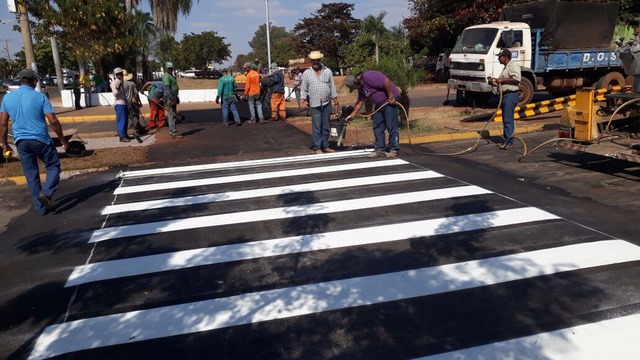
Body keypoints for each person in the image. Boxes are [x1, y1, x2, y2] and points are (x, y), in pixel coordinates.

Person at [0, 69, 70, 215]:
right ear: (34, 81)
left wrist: (4, 144)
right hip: (41, 140)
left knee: (31, 174)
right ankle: (46, 192)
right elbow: (53, 121)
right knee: (53, 165)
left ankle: (41, 208)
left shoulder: (7, 99)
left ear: (20, 81)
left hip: (21, 142)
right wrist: (62, 139)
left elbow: (3, 124)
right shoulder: (40, 97)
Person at [345, 70, 401, 158]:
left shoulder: (369, 76)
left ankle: (394, 149)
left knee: (391, 125)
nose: (356, 89)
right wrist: (352, 114)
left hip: (390, 101)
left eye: (355, 87)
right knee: (377, 125)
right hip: (380, 104)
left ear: (357, 82)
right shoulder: (361, 89)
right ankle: (380, 150)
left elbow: (386, 81)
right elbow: (360, 102)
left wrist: (391, 96)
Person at [300, 50, 339, 154]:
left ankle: (325, 146)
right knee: (317, 126)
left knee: (326, 126)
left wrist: (336, 102)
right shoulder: (307, 73)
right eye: (313, 61)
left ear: (320, 60)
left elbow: (332, 88)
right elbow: (303, 89)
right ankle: (317, 147)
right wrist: (302, 101)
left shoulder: (328, 71)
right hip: (314, 104)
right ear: (310, 61)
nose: (315, 62)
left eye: (317, 60)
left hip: (326, 103)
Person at [489, 48, 521, 149]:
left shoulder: (513, 65)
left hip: (511, 95)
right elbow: (503, 84)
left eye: (500, 57)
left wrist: (501, 79)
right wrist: (493, 83)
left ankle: (509, 142)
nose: (498, 58)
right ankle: (506, 139)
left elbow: (516, 79)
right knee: (506, 119)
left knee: (508, 119)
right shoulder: (506, 67)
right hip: (506, 95)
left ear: (505, 57)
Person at [163, 61, 182, 138]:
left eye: (171, 68)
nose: (170, 69)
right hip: (170, 98)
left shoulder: (170, 76)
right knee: (171, 115)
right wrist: (172, 98)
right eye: (169, 68)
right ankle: (173, 132)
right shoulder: (167, 76)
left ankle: (173, 131)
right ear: (166, 68)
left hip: (173, 97)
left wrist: (176, 97)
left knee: (173, 115)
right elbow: (167, 89)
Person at [122, 70, 144, 136]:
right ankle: (138, 128)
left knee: (131, 116)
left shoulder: (121, 84)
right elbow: (136, 94)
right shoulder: (132, 83)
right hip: (132, 102)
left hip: (125, 102)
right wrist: (139, 102)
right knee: (134, 116)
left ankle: (139, 128)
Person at [110, 67, 130, 142]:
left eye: (121, 74)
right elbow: (115, 94)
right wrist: (118, 88)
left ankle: (125, 134)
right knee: (121, 120)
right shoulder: (114, 83)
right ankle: (121, 136)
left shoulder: (123, 82)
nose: (120, 75)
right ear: (116, 75)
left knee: (125, 120)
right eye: (119, 74)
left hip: (124, 103)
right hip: (119, 104)